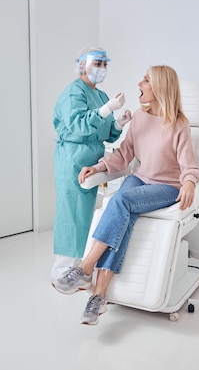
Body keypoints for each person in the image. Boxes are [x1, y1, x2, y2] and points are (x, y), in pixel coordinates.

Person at [52, 65, 199, 325]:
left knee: (120, 200)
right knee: (124, 215)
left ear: (159, 88)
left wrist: (189, 182)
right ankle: (98, 298)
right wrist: (97, 167)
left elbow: (190, 167)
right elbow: (123, 156)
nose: (139, 84)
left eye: (145, 80)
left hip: (166, 187)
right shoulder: (141, 119)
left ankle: (85, 268)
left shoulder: (179, 125)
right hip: (140, 179)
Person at [52, 46, 132, 280]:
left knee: (86, 215)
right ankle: (60, 272)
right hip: (72, 159)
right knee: (70, 214)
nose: (102, 69)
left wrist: (118, 123)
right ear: (83, 66)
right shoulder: (73, 93)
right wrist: (107, 110)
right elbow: (79, 125)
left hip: (92, 160)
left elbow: (107, 135)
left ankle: (79, 269)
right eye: (97, 64)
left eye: (105, 64)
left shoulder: (101, 95)